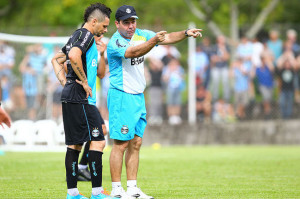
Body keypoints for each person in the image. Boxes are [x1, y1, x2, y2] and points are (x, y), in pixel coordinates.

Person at [107, 5, 202, 199]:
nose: (131, 26)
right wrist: (153, 40)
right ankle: (117, 190)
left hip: (138, 96)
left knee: (136, 142)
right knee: (120, 144)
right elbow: (134, 52)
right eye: (126, 22)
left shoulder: (143, 34)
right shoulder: (115, 42)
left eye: (133, 21)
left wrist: (185, 33)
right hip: (122, 96)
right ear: (117, 24)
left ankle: (132, 189)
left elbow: (166, 38)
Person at [51, 3, 116, 199]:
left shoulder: (84, 40)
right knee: (98, 141)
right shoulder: (85, 35)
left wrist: (66, 82)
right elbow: (72, 55)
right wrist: (84, 83)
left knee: (75, 145)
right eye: (104, 26)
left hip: (73, 95)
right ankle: (96, 192)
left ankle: (73, 193)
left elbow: (56, 60)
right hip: (80, 97)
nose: (105, 30)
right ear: (94, 21)